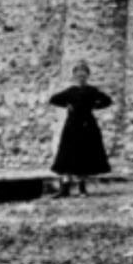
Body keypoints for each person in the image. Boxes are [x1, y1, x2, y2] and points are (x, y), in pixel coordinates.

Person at [49, 62, 112, 197]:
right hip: (72, 126)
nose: (81, 77)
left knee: (84, 157)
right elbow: (54, 99)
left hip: (87, 126)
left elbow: (107, 100)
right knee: (67, 155)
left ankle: (82, 188)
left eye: (83, 74)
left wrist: (95, 106)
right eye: (78, 74)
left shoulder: (92, 91)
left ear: (87, 76)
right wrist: (67, 105)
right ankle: (64, 188)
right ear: (74, 76)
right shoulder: (70, 91)